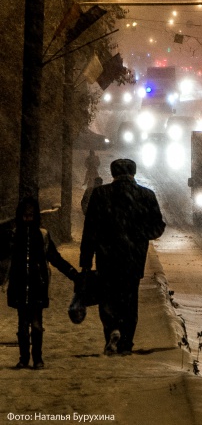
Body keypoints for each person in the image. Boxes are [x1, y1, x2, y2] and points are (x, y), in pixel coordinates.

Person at [80, 158, 165, 356]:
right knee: (129, 299)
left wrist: (86, 260)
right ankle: (126, 342)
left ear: (113, 173)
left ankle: (112, 329)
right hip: (133, 259)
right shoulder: (146, 195)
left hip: (106, 257)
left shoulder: (100, 195)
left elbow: (90, 229)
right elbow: (158, 226)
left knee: (107, 298)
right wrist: (140, 235)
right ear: (134, 173)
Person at [4, 197, 79, 369]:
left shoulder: (42, 236)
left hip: (37, 286)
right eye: (25, 216)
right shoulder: (14, 236)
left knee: (36, 325)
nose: (27, 219)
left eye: (30, 216)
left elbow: (55, 258)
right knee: (23, 325)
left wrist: (72, 273)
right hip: (20, 286)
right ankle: (24, 358)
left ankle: (37, 358)